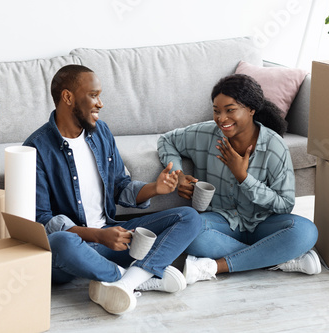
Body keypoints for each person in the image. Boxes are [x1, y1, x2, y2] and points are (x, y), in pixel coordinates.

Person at [23, 64, 201, 315]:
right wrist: (96, 236)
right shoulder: (37, 148)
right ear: (67, 97)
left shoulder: (101, 133)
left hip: (111, 239)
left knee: (189, 217)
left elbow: (120, 186)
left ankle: (125, 283)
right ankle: (139, 277)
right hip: (76, 247)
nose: (100, 103)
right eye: (93, 95)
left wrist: (154, 189)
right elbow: (41, 220)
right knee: (61, 241)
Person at [157, 74, 321, 285]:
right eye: (217, 111)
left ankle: (216, 266)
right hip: (221, 221)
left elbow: (285, 205)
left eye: (230, 110)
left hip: (264, 223)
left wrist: (243, 177)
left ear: (251, 109)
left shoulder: (274, 146)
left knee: (305, 232)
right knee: (189, 231)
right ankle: (277, 259)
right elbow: (166, 140)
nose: (221, 118)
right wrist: (177, 175)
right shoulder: (205, 134)